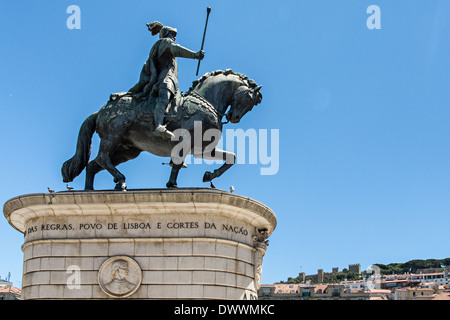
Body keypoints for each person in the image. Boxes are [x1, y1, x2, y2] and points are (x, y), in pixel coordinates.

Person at [129, 21, 205, 139]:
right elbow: (177, 49)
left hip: (172, 80)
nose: (174, 37)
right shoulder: (165, 42)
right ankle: (158, 125)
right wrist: (195, 55)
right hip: (164, 79)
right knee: (164, 97)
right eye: (172, 34)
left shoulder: (165, 46)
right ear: (166, 34)